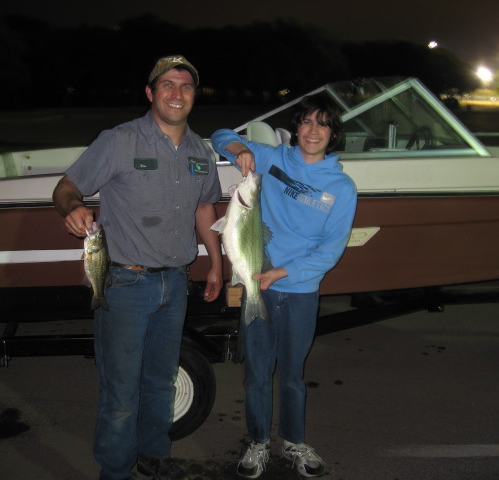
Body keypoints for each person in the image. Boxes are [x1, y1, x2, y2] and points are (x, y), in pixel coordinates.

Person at [52, 55, 223, 480]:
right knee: (122, 390)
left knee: (162, 381)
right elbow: (67, 186)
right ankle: (115, 470)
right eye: (167, 85)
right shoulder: (119, 140)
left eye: (185, 86)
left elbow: (205, 209)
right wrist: (72, 208)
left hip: (176, 283)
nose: (177, 94)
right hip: (126, 284)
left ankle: (152, 453)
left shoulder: (201, 150)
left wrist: (216, 264)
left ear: (194, 95)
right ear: (150, 93)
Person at [211, 94, 357, 478]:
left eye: (322, 124)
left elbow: (331, 251)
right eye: (306, 122)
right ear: (296, 128)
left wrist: (284, 272)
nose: (313, 131)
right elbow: (220, 135)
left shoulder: (341, 187)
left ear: (333, 133)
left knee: (292, 376)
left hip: (300, 291)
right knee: (257, 374)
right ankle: (258, 442)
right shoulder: (272, 159)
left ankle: (293, 441)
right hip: (258, 280)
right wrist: (241, 149)